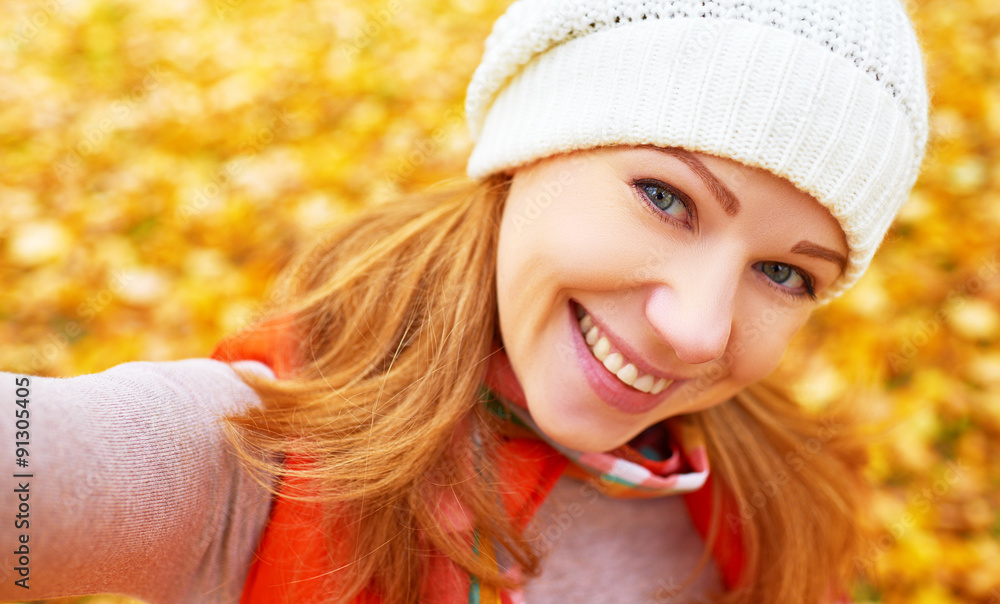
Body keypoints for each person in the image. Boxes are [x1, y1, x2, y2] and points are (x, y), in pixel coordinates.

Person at [0, 0, 929, 602]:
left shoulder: (769, 499)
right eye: (664, 197)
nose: (698, 328)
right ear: (528, 151)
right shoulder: (262, 459)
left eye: (785, 274)